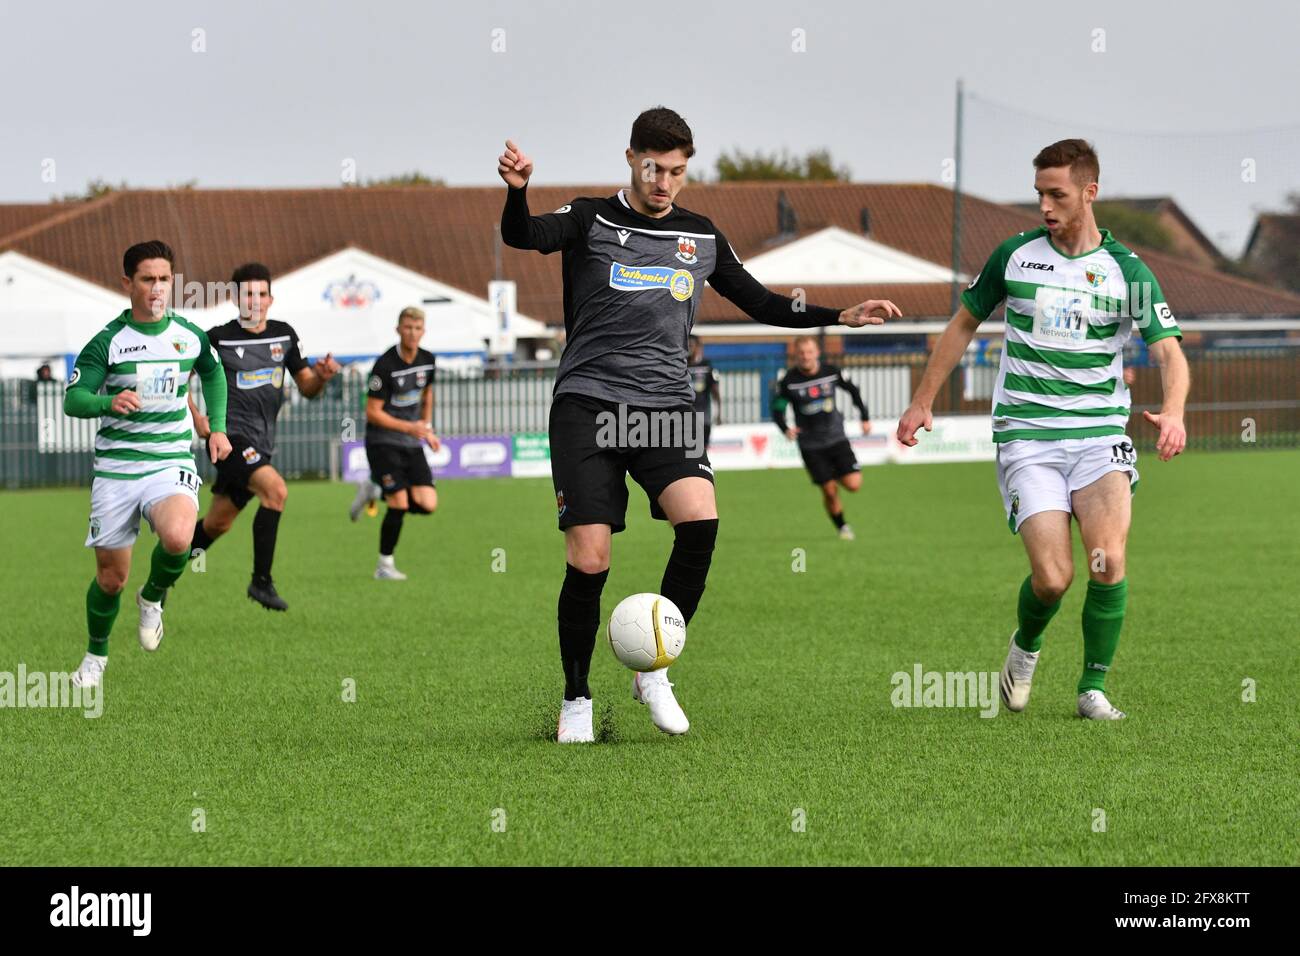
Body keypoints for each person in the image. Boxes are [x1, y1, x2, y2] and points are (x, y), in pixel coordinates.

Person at [498, 106, 901, 742]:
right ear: (631, 158)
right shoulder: (588, 218)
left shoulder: (701, 237)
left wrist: (840, 314)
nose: (665, 183)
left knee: (701, 520)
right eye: (655, 168)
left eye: (679, 172)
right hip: (589, 406)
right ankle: (576, 698)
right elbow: (522, 237)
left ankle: (653, 669)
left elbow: (762, 301)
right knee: (591, 558)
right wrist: (517, 193)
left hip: (665, 407)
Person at [896, 139, 1189, 720]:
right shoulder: (1014, 256)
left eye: (1057, 195)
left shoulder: (1127, 272)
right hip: (1028, 437)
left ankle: (1091, 688)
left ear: (1089, 192)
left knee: (1107, 558)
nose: (1046, 207)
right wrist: (922, 400)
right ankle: (1024, 650)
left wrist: (1174, 409)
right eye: (1040, 195)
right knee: (1053, 579)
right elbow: (961, 327)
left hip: (1100, 434)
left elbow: (1170, 353)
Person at [64, 240, 231, 688]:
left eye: (164, 279)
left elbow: (213, 373)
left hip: (169, 459)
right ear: (127, 283)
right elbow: (73, 400)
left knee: (179, 538)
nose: (158, 288)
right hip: (117, 469)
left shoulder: (189, 336)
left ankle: (154, 596)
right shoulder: (107, 343)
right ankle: (96, 656)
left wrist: (216, 427)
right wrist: (106, 401)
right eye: (147, 279)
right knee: (111, 579)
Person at [188, 262, 341, 611]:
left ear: (270, 299)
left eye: (260, 294)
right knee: (276, 491)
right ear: (234, 298)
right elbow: (181, 376)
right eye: (247, 294)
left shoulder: (284, 335)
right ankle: (261, 583)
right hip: (229, 440)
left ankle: (160, 578)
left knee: (216, 524)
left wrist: (322, 376)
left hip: (263, 442)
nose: (254, 300)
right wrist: (199, 418)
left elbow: (307, 388)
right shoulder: (216, 338)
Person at [360, 307, 440, 580]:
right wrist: (411, 427)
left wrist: (426, 429)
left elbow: (427, 394)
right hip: (382, 440)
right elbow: (372, 412)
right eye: (408, 328)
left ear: (423, 331)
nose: (412, 333)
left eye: (417, 328)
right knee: (399, 502)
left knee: (428, 503)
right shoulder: (384, 365)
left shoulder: (428, 360)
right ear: (398, 330)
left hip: (412, 440)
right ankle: (384, 565)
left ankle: (375, 487)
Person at [772, 335, 871, 540]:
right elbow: (777, 408)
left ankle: (832, 473)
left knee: (854, 485)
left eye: (809, 352)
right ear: (795, 356)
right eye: (801, 353)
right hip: (811, 445)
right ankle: (842, 527)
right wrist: (785, 428)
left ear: (817, 353)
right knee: (829, 490)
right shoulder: (789, 381)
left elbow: (853, 390)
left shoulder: (831, 372)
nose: (806, 357)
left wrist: (865, 417)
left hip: (836, 438)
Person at [687, 336, 722, 448]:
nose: (689, 349)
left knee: (702, 449)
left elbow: (715, 392)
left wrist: (719, 413)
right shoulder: (681, 366)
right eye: (686, 346)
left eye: (691, 345)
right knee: (688, 450)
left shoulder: (707, 366)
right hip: (686, 415)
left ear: (698, 347)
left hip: (704, 416)